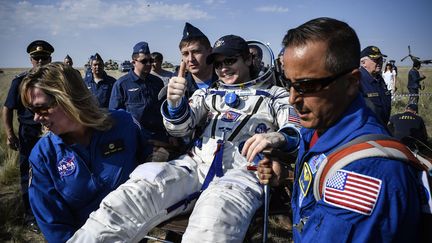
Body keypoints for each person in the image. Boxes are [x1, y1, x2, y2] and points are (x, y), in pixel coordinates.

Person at [68, 34, 301, 242]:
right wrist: (175, 103)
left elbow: (296, 130)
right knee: (132, 195)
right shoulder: (207, 94)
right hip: (196, 164)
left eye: (230, 61)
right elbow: (179, 129)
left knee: (215, 216)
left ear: (248, 60)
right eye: (218, 64)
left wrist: (277, 138)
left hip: (243, 169)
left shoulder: (273, 96)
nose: (223, 68)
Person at [257, 17, 423, 242]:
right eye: (289, 84)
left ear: (351, 82)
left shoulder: (365, 175)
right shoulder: (321, 124)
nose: (292, 98)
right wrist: (286, 175)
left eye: (307, 86)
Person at [20, 62, 151, 243]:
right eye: (31, 110)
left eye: (41, 108)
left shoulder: (124, 124)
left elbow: (152, 166)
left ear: (68, 98)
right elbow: (54, 226)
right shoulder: (43, 155)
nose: (36, 117)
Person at [2, 40, 54, 231]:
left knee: (56, 173)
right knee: (29, 175)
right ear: (31, 59)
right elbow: (7, 108)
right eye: (36, 58)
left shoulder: (56, 80)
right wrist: (9, 134)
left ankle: (53, 214)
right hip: (29, 134)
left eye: (44, 58)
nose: (40, 61)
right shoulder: (20, 81)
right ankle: (30, 216)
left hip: (54, 133)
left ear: (50, 59)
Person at [359, 45, 392, 125]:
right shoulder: (358, 81)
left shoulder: (380, 80)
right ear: (363, 63)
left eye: (380, 59)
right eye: (375, 60)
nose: (379, 62)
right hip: (367, 132)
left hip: (381, 127)